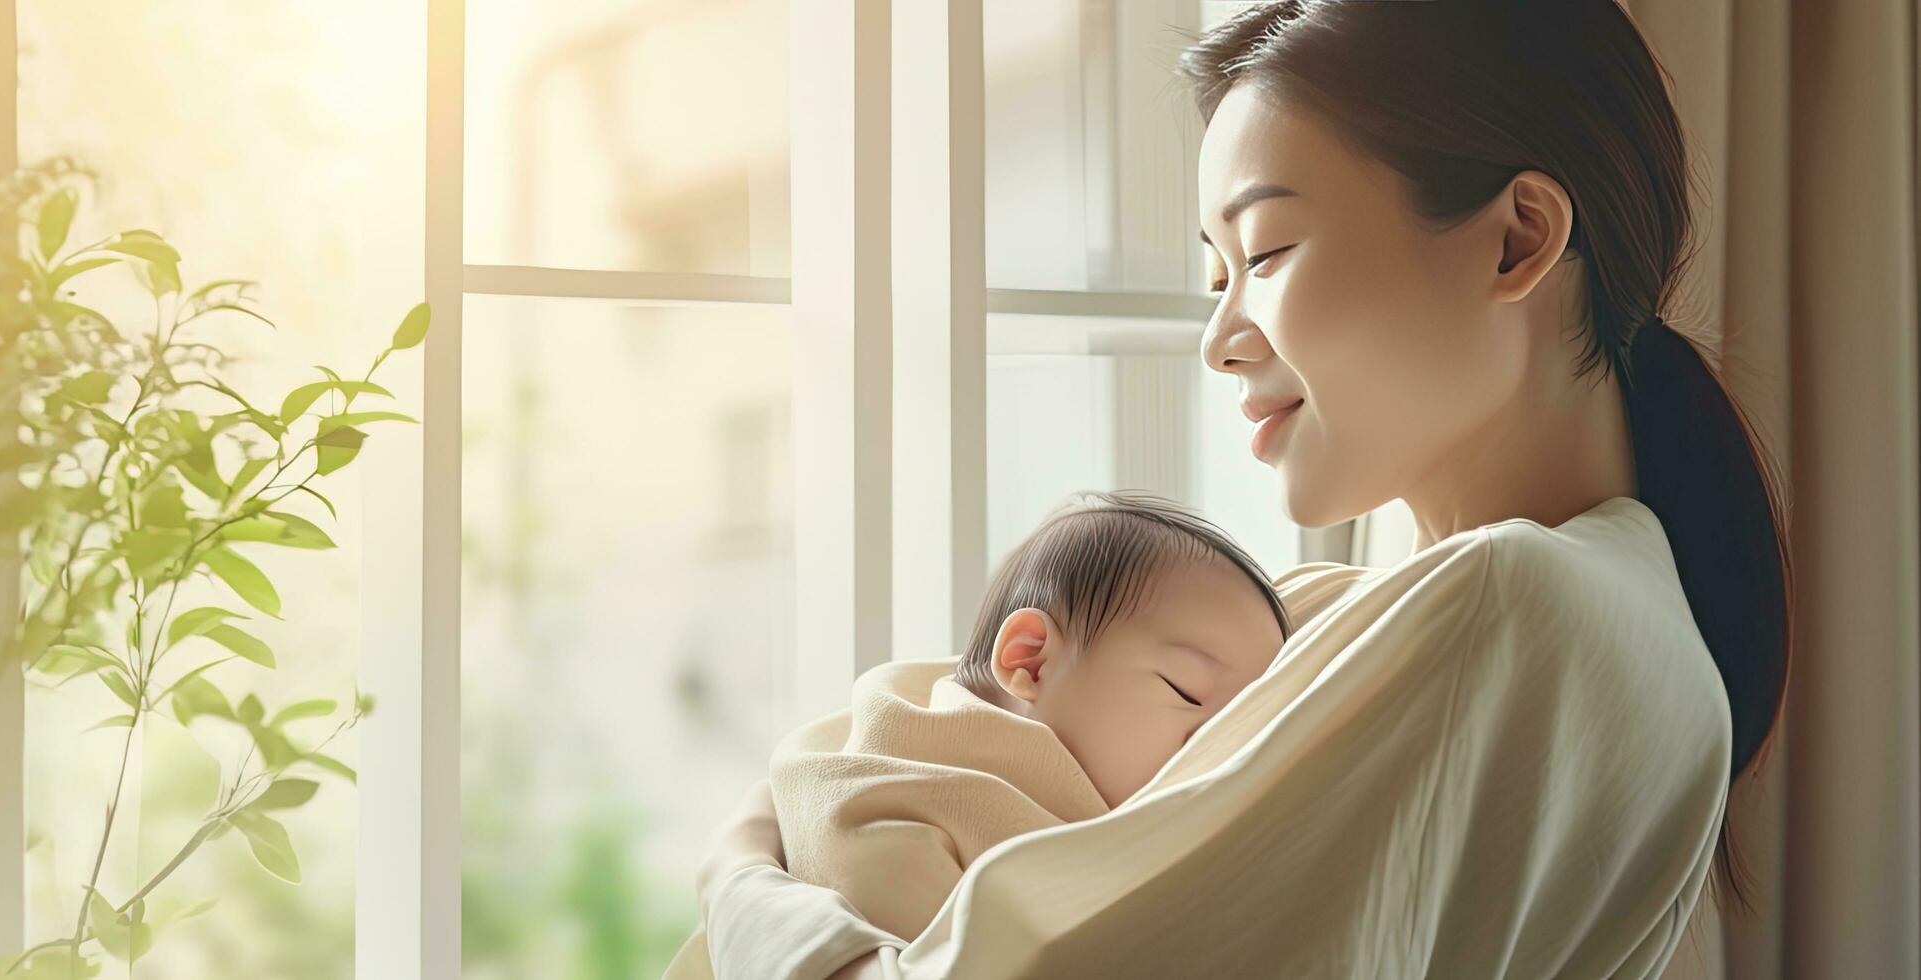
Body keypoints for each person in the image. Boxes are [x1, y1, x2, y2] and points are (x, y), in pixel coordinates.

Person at [689, 3, 1791, 977]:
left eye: (1263, 252)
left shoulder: (1508, 602)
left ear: (1516, 240)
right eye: (1215, 275)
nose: (1217, 339)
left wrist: (742, 873)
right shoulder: (1537, 606)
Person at [664, 493, 1290, 976]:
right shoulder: (894, 796)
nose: (1216, 747)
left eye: (1241, 729)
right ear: (1029, 661)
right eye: (1187, 693)